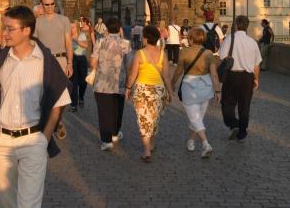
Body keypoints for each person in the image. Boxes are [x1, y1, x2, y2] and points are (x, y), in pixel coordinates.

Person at [0, 6, 71, 208]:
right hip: (1, 140)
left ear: (26, 30)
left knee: (28, 204)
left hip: (32, 140)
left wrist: (44, 138)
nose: (4, 33)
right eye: (4, 28)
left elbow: (59, 101)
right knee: (7, 201)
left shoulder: (45, 61)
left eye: (10, 29)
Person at [125, 25, 173, 162]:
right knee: (153, 118)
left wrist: (128, 88)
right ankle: (150, 145)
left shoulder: (139, 53)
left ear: (146, 38)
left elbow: (133, 74)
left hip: (142, 90)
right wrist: (170, 92)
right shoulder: (163, 54)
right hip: (158, 90)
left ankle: (147, 150)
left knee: (143, 120)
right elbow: (167, 77)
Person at [171, 27, 220, 158]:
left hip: (190, 87)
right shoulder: (209, 53)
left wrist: (172, 83)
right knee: (198, 117)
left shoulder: (184, 52)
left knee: (195, 118)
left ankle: (205, 144)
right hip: (206, 87)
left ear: (191, 38)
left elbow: (178, 71)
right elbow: (214, 74)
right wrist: (217, 90)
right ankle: (191, 141)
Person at [33, 0, 73, 139]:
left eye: (52, 4)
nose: (50, 7)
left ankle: (58, 119)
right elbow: (34, 44)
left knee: (63, 94)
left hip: (61, 60)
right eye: (46, 5)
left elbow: (68, 42)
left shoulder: (64, 20)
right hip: (43, 62)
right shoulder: (37, 22)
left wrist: (70, 63)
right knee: (45, 94)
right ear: (41, 5)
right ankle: (53, 122)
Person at [90, 17, 131, 151]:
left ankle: (106, 141)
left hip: (102, 82)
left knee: (104, 111)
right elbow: (129, 65)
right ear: (120, 28)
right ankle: (114, 133)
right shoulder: (126, 43)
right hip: (119, 82)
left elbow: (93, 63)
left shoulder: (100, 42)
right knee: (117, 109)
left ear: (106, 28)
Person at [218, 15, 262, 142]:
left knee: (227, 103)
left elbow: (221, 57)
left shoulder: (229, 39)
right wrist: (256, 79)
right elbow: (256, 65)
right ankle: (242, 132)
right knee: (244, 105)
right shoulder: (252, 42)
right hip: (247, 78)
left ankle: (233, 124)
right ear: (246, 26)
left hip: (231, 76)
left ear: (236, 25)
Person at [69, 18, 94, 112]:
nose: (71, 29)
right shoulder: (67, 36)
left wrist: (75, 40)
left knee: (83, 82)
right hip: (72, 60)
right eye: (70, 27)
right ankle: (73, 104)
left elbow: (85, 45)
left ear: (76, 28)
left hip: (81, 59)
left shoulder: (81, 35)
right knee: (73, 82)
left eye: (73, 27)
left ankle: (81, 97)